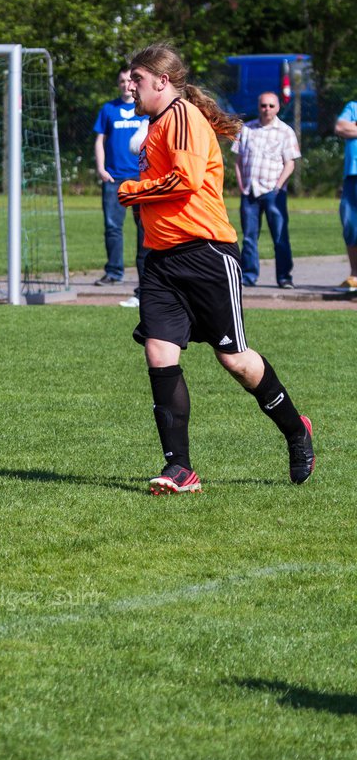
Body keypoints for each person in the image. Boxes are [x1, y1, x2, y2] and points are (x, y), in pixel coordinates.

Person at [117, 44, 313, 495]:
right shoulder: (155, 124)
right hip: (163, 261)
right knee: (159, 354)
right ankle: (180, 469)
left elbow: (184, 180)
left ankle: (296, 429)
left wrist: (133, 189)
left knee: (236, 361)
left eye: (139, 80)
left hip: (205, 255)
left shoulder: (183, 116)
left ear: (162, 82)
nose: (132, 88)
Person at [232, 91, 301, 288]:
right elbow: (238, 161)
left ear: (278, 107)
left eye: (271, 106)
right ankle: (248, 276)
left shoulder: (285, 131)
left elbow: (290, 164)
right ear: (258, 106)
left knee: (280, 237)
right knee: (249, 238)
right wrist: (242, 185)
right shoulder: (247, 129)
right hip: (250, 192)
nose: (267, 110)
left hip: (274, 192)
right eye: (263, 105)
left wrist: (277, 186)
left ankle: (284, 277)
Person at [93, 66, 148, 302]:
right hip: (114, 178)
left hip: (139, 178)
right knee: (113, 227)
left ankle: (146, 280)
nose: (126, 85)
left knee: (144, 231)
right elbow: (99, 140)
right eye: (122, 81)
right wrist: (101, 169)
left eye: (130, 80)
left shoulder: (145, 109)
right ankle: (114, 272)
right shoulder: (108, 109)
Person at [333, 98, 357, 291]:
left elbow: (348, 129)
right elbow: (340, 127)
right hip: (352, 175)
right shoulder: (352, 107)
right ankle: (354, 275)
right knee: (350, 224)